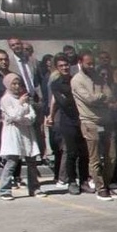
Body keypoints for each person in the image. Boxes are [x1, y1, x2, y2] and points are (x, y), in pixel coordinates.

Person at [71, 51, 117, 201]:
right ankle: (100, 189)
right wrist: (101, 97)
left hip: (106, 121)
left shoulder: (98, 77)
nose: (92, 66)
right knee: (95, 158)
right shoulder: (77, 80)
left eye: (93, 63)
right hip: (89, 121)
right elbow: (90, 99)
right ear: (80, 62)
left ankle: (107, 184)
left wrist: (102, 97)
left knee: (111, 156)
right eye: (88, 63)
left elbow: (110, 93)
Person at [0, 74, 44, 200]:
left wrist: (22, 117)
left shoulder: (24, 98)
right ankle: (5, 190)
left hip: (26, 132)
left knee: (32, 161)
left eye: (19, 84)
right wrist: (21, 106)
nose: (17, 87)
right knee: (12, 161)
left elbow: (31, 116)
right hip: (13, 133)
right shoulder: (6, 99)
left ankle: (34, 187)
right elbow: (13, 115)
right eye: (14, 84)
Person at [47, 55, 86, 195]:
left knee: (84, 152)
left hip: (81, 119)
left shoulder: (75, 79)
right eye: (61, 66)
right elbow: (63, 103)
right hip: (68, 121)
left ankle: (84, 180)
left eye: (66, 65)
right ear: (57, 68)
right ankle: (72, 181)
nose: (65, 67)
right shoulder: (56, 84)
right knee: (71, 152)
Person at [0, 49, 12, 171]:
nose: (4, 62)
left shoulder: (12, 76)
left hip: (11, 113)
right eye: (0, 60)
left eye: (5, 59)